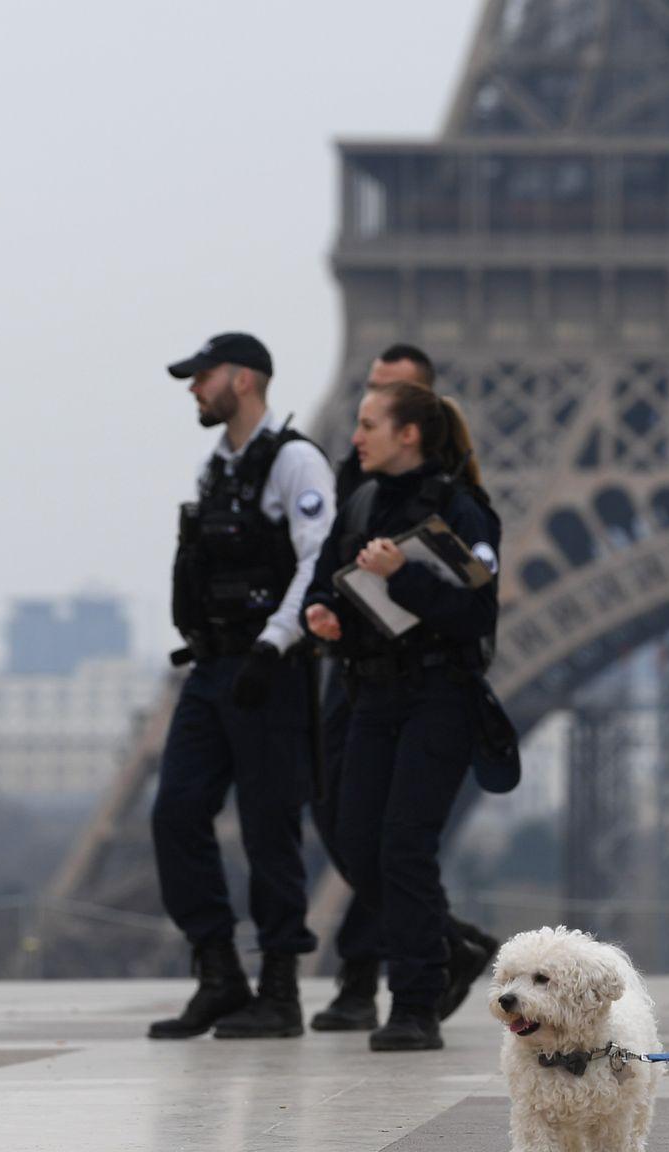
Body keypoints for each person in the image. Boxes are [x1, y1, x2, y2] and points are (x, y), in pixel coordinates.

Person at [305, 344, 500, 1033]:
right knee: (357, 843)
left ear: (408, 433)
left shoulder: (462, 509)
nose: (353, 438)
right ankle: (446, 947)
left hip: (437, 698)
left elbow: (476, 614)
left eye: (368, 426)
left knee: (403, 846)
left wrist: (403, 576)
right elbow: (334, 580)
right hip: (371, 695)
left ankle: (414, 1001)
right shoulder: (359, 502)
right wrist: (327, 617)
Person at [149, 332, 334, 1040]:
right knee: (175, 812)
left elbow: (317, 563)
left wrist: (273, 645)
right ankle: (220, 971)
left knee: (269, 828)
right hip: (211, 666)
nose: (194, 388)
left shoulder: (295, 462)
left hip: (268, 668)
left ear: (245, 379)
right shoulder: (216, 469)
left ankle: (280, 989)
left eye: (203, 376)